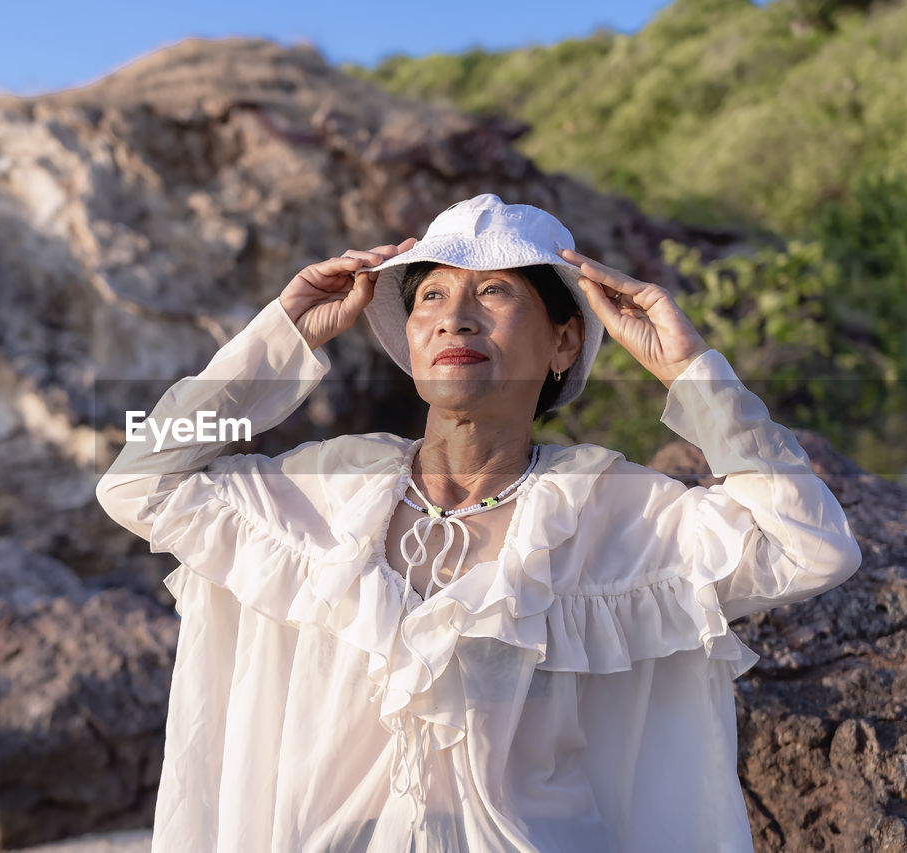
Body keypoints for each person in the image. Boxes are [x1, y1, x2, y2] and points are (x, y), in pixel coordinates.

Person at [95, 194, 862, 852]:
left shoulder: (614, 512)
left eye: (494, 291)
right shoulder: (326, 491)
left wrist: (691, 369)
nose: (453, 316)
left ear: (565, 340)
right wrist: (278, 335)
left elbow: (812, 548)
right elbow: (138, 480)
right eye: (429, 295)